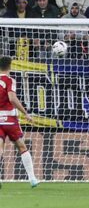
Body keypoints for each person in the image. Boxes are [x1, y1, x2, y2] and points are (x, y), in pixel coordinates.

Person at [0, 56, 39, 189]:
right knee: (22, 147)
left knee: (0, 149)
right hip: (10, 120)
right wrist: (25, 113)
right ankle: (32, 178)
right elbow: (12, 98)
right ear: (10, 66)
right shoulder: (9, 80)